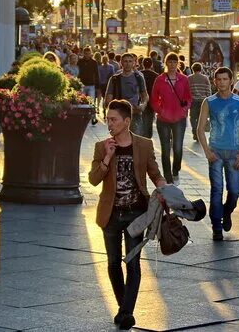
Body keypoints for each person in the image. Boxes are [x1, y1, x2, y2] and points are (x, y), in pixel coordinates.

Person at [88, 99, 166, 329]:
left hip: (136, 213)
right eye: (108, 118)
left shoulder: (143, 145)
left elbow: (154, 173)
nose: (109, 123)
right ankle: (124, 309)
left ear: (127, 121)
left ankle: (126, 313)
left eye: (113, 119)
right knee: (113, 264)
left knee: (132, 264)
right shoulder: (102, 146)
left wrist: (165, 190)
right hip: (110, 214)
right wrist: (107, 158)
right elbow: (93, 179)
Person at [196, 67, 239, 242]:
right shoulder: (209, 102)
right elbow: (200, 129)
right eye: (218, 79)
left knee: (234, 190)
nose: (221, 82)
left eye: (225, 79)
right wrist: (207, 151)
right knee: (216, 190)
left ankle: (226, 211)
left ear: (231, 80)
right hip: (216, 152)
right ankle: (216, 227)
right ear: (214, 81)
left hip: (234, 152)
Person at [149, 52, 192, 184]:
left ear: (177, 63)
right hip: (163, 119)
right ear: (166, 63)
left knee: (178, 148)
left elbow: (188, 97)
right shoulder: (160, 79)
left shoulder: (184, 79)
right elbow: (154, 98)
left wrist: (184, 110)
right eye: (170, 62)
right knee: (165, 149)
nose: (172, 65)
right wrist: (160, 111)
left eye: (174, 62)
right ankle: (168, 176)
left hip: (179, 118)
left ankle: (176, 170)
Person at [105, 53, 149, 135]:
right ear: (121, 63)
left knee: (135, 141)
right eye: (125, 61)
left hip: (135, 114)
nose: (128, 64)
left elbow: (144, 95)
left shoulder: (139, 78)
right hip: (119, 116)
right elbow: (108, 99)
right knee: (119, 140)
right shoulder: (114, 79)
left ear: (134, 63)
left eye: (130, 61)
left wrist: (143, 105)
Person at [188, 62, 212, 141]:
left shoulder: (189, 78)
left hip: (193, 101)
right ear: (201, 69)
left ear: (192, 69)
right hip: (203, 101)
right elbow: (208, 90)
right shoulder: (205, 78)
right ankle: (199, 133)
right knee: (201, 118)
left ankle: (195, 132)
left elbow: (187, 90)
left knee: (193, 118)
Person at [78, 46, 100, 124]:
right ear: (83, 53)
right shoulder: (80, 62)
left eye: (88, 53)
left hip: (91, 85)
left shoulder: (94, 62)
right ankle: (81, 116)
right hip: (82, 84)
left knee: (91, 102)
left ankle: (93, 117)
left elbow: (96, 74)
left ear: (91, 53)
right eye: (86, 53)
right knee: (81, 101)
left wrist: (97, 86)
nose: (87, 55)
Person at [139, 58, 158, 139]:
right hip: (151, 101)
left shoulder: (139, 74)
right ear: (151, 65)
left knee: (141, 119)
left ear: (142, 64)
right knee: (149, 121)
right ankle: (148, 137)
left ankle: (142, 136)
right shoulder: (156, 75)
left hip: (140, 100)